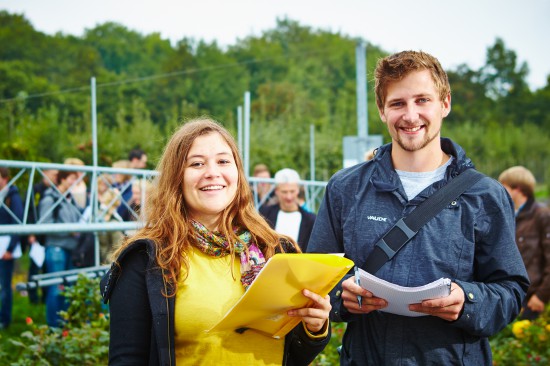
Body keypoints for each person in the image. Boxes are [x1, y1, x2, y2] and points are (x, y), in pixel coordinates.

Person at [307, 50, 529, 365]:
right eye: (398, 103)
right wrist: (342, 299)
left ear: (445, 103)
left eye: (422, 100)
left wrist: (467, 301)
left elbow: (510, 292)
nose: (411, 116)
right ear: (382, 111)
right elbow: (315, 281)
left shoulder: (485, 195)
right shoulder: (345, 189)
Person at [100, 118, 331, 365]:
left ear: (238, 173)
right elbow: (127, 359)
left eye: (223, 161)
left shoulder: (274, 249)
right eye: (197, 163)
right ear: (176, 177)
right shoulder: (147, 259)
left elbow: (292, 355)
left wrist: (314, 327)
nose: (213, 172)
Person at [499, 166, 550, 320]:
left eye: (504, 187)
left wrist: (541, 296)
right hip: (514, 299)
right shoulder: (508, 215)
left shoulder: (542, 216)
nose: (500, 191)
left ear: (517, 189)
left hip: (534, 301)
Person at [38, 169, 82, 327]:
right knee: (56, 289)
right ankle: (54, 327)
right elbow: (44, 225)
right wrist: (69, 230)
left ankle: (65, 325)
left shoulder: (71, 199)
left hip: (71, 249)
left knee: (69, 289)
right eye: (71, 178)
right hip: (56, 248)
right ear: (62, 179)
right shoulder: (50, 198)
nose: (74, 183)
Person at [260, 168, 316, 252]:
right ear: (277, 191)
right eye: (284, 192)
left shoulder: (311, 220)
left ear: (297, 190)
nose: (289, 197)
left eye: (292, 191)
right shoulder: (264, 214)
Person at [26, 168, 58, 304]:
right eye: (53, 175)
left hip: (48, 236)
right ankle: (32, 296)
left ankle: (45, 296)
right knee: (34, 266)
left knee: (46, 267)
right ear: (45, 174)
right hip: (36, 233)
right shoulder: (36, 190)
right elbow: (30, 211)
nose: (55, 178)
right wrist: (30, 232)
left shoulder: (55, 191)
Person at [0, 167, 24, 330]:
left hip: (6, 247)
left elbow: (18, 222)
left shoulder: (12, 196)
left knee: (4, 284)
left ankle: (4, 319)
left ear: (5, 178)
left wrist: (10, 248)